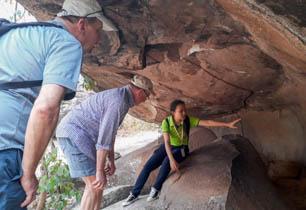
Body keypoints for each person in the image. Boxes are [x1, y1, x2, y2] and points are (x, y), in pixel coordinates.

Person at [0, 0, 117, 209]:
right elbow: (46, 109)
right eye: (98, 30)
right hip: (5, 149)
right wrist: (27, 173)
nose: (99, 40)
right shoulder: (66, 42)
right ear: (82, 24)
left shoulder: (18, 34)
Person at [56, 75, 155, 210]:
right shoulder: (118, 102)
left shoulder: (122, 99)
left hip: (82, 137)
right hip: (74, 135)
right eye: (147, 95)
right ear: (140, 91)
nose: (147, 99)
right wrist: (99, 170)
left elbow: (110, 133)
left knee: (99, 185)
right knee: (94, 185)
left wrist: (111, 160)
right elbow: (103, 140)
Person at [122, 99, 241, 206]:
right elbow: (167, 142)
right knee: (148, 166)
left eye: (185, 110)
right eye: (181, 111)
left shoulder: (188, 121)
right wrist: (172, 160)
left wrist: (227, 124)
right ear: (173, 112)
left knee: (167, 161)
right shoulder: (167, 122)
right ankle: (134, 194)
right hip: (168, 146)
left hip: (181, 149)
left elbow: (208, 122)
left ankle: (155, 190)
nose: (184, 113)